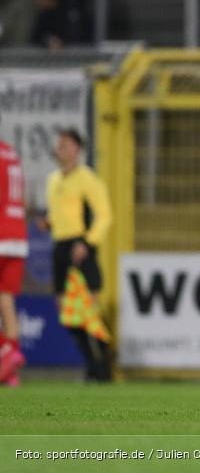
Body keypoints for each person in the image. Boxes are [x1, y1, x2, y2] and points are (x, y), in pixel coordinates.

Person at [40, 129, 112, 381]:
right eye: (59, 145)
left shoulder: (87, 179)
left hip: (81, 247)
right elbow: (60, 214)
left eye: (65, 145)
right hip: (60, 246)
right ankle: (92, 365)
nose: (60, 149)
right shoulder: (52, 180)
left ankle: (105, 366)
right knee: (67, 313)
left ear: (77, 150)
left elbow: (104, 216)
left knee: (91, 310)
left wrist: (87, 242)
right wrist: (49, 222)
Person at [0, 128, 27, 386]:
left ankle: (6, 352)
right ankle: (11, 367)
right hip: (17, 234)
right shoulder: (11, 151)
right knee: (6, 299)